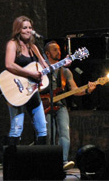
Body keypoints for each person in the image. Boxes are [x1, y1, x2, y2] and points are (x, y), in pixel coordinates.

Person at [43, 40, 97, 170]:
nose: (59, 51)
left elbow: (74, 90)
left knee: (64, 132)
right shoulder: (42, 69)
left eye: (59, 49)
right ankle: (49, 161)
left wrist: (87, 90)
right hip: (44, 104)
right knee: (49, 134)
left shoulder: (65, 71)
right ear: (47, 53)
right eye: (55, 49)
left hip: (60, 105)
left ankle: (63, 161)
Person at [4, 16, 49, 145]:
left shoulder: (33, 47)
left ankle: (40, 163)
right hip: (16, 89)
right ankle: (12, 162)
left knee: (42, 128)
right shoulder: (12, 44)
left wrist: (63, 63)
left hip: (32, 90)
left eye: (30, 27)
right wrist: (30, 73)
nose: (28, 30)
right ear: (18, 30)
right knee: (17, 128)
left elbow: (45, 67)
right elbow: (9, 64)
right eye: (25, 28)